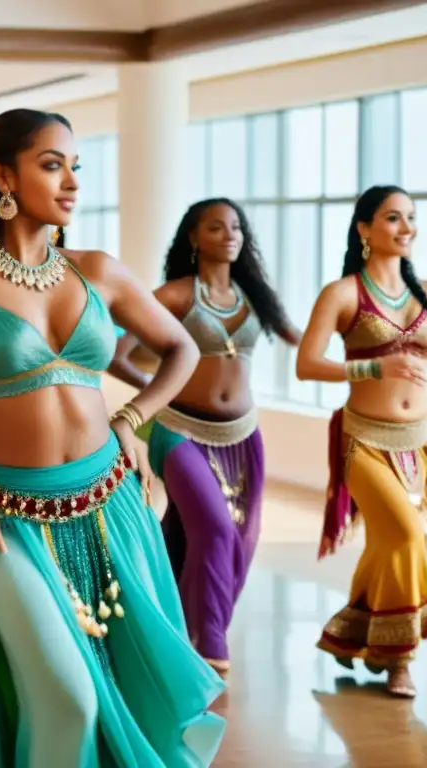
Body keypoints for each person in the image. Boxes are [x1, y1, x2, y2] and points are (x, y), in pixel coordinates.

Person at [0, 108, 225, 767]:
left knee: (125, 691)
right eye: (51, 164)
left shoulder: (97, 270)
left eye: (75, 166)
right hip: (5, 519)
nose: (70, 180)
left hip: (112, 506)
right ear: (4, 175)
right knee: (66, 697)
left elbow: (180, 349)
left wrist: (129, 420)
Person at [107, 198, 299, 676]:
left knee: (240, 540)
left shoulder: (254, 296)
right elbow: (116, 352)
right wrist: (156, 392)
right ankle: (210, 646)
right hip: (181, 432)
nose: (230, 235)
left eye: (236, 227)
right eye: (216, 227)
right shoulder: (175, 295)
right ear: (194, 238)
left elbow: (306, 338)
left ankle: (177, 623)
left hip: (243, 435)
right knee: (214, 529)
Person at [297, 185, 427, 699]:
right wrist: (375, 365)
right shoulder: (342, 294)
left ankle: (352, 631)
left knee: (388, 543)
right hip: (365, 441)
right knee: (405, 536)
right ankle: (399, 659)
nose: (406, 228)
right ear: (364, 229)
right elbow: (306, 363)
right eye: (393, 218)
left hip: (422, 441)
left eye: (411, 219)